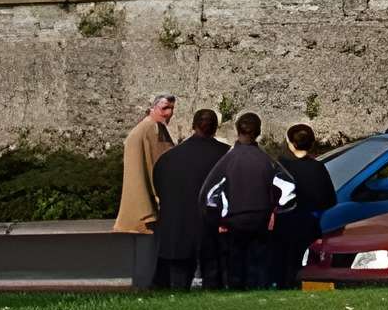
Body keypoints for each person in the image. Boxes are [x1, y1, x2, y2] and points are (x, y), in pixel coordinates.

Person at [149, 106, 227, 291]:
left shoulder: (168, 158)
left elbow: (159, 189)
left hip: (178, 227)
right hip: (212, 228)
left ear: (193, 126)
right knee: (213, 281)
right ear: (215, 128)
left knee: (178, 283)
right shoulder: (226, 155)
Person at [114, 93, 176, 292]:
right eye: (165, 108)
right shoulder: (150, 129)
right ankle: (148, 283)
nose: (169, 113)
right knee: (148, 249)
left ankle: (149, 282)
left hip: (147, 200)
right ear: (154, 108)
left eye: (171, 108)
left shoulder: (152, 128)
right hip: (147, 202)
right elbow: (156, 166)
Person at [209, 111, 277, 289]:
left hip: (235, 217)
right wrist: (274, 209)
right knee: (258, 260)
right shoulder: (266, 160)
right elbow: (283, 185)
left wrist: (215, 217)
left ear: (237, 130)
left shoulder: (228, 159)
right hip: (260, 215)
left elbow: (210, 192)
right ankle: (258, 287)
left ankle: (237, 287)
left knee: (236, 260)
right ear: (258, 132)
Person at [270, 123, 337, 288]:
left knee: (282, 264)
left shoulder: (281, 166)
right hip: (309, 224)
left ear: (291, 143)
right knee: (305, 263)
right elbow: (329, 199)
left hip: (284, 223)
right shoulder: (318, 168)